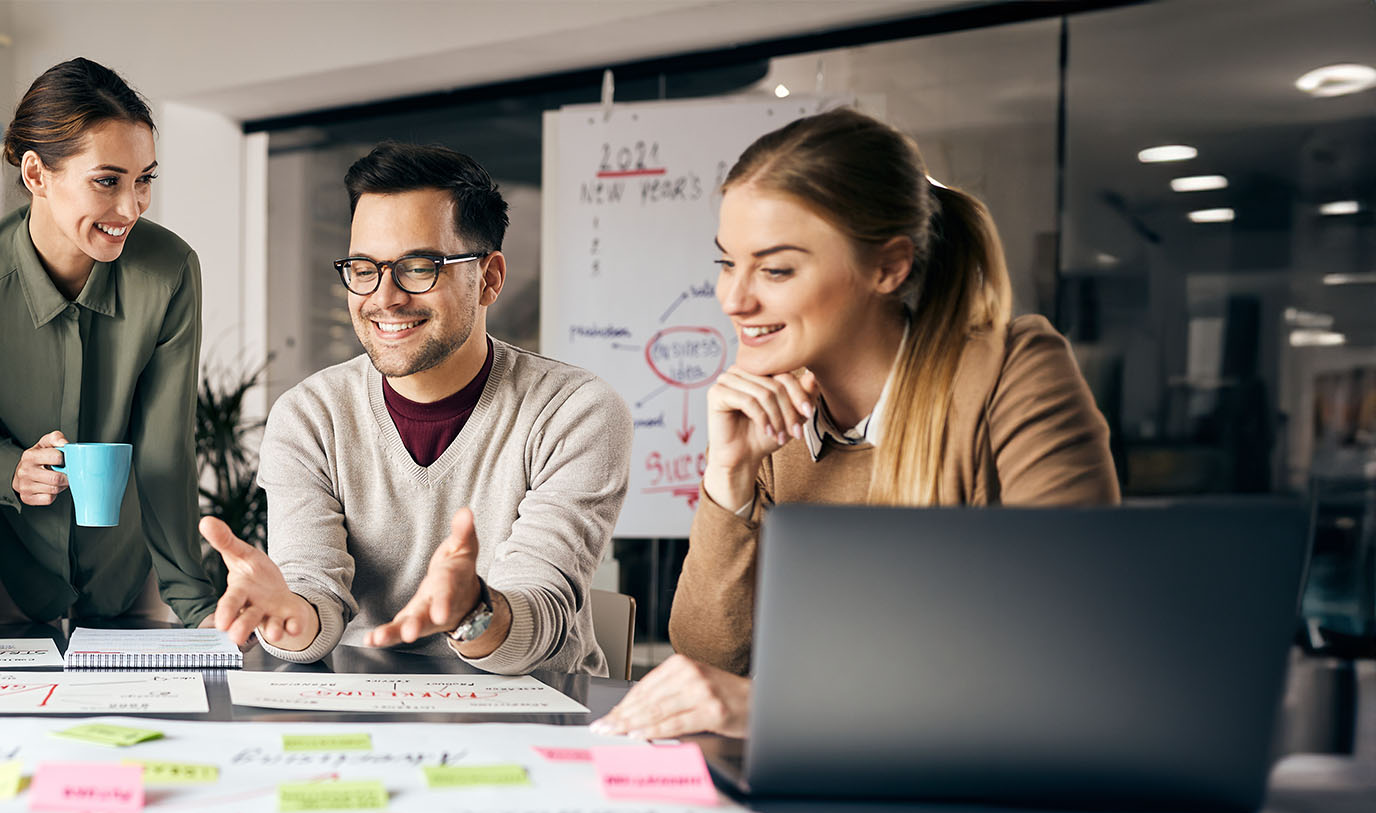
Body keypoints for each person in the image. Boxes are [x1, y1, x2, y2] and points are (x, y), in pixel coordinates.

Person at [592, 108, 1121, 739]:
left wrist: (775, 709)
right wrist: (728, 476)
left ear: (888, 267)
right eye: (727, 263)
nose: (734, 299)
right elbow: (709, 665)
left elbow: (1074, 650)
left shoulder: (1010, 374)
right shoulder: (776, 418)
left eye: (776, 269)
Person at [199, 141, 631, 675]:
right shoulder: (309, 416)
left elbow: (543, 612)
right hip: (360, 712)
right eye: (364, 267)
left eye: (419, 266)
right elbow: (312, 590)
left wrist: (471, 613)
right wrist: (293, 617)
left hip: (531, 713)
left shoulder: (575, 412)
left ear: (489, 278)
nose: (385, 297)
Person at [0, 58, 220, 631]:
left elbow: (165, 445)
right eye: (108, 180)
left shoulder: (170, 270)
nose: (131, 208)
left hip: (134, 553)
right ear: (36, 174)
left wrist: (194, 601)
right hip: (7, 542)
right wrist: (9, 469)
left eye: (144, 179)